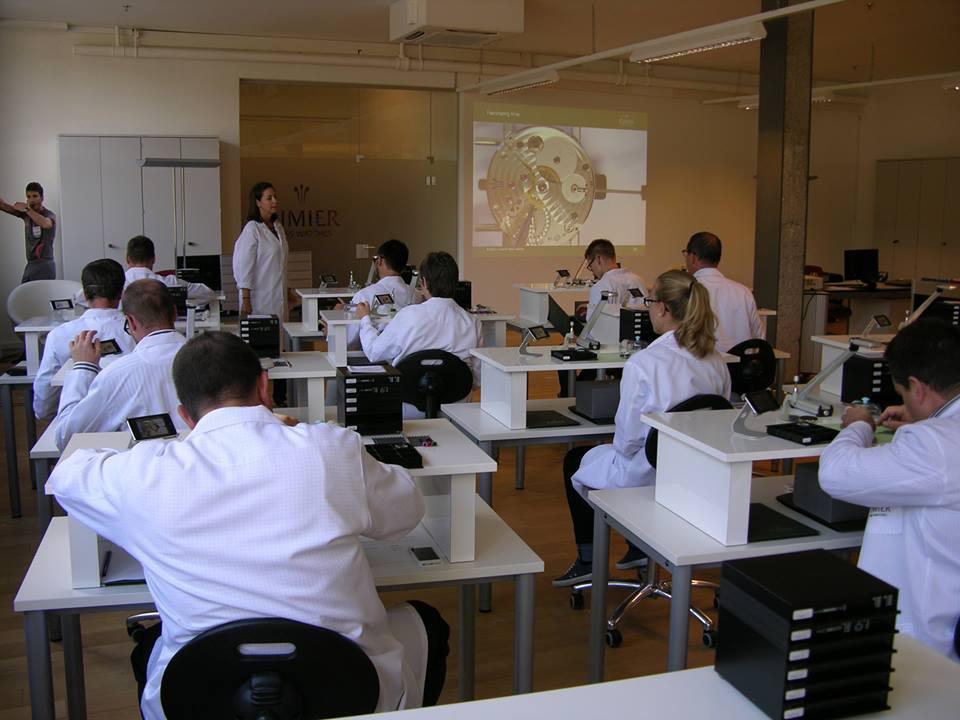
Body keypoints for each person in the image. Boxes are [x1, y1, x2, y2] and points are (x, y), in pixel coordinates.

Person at [47, 331, 450, 718]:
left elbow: (64, 475)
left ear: (185, 416)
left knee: (150, 648)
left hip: (204, 692)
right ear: (264, 386)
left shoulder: (144, 475)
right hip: (347, 686)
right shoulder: (330, 448)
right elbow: (406, 512)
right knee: (428, 621)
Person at [553, 270, 731, 586]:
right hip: (697, 475)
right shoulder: (716, 361)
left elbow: (627, 443)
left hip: (649, 473)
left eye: (649, 302)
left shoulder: (643, 364)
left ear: (662, 308)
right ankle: (637, 546)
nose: (647, 309)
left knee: (575, 461)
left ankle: (589, 560)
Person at [819, 320, 960, 661]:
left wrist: (859, 426)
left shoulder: (933, 445)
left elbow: (835, 473)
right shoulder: (940, 435)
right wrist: (924, 419)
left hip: (924, 645)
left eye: (904, 395)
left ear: (918, 387)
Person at [54, 280, 187, 450]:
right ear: (174, 313)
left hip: (141, 471)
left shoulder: (116, 375)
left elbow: (66, 437)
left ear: (130, 322)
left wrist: (83, 368)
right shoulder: (218, 359)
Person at [356, 251, 481, 413]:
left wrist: (365, 319)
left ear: (423, 282)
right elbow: (477, 380)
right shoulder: (472, 322)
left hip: (408, 409)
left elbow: (374, 352)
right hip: (456, 411)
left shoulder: (408, 315)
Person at [33, 259, 135, 420]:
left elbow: (44, 399)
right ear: (121, 292)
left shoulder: (59, 335)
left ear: (85, 295)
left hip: (77, 423)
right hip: (129, 418)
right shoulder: (135, 331)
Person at [682, 231, 763, 353]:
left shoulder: (687, 290)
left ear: (693, 257)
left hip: (704, 368)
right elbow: (759, 337)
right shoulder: (744, 292)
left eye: (685, 254)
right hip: (741, 369)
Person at [340, 239, 417, 349]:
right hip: (407, 356)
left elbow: (349, 340)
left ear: (379, 261)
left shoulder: (364, 296)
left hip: (372, 356)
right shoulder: (416, 295)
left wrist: (331, 331)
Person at [233, 182, 288, 318]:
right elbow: (244, 266)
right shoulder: (252, 229)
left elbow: (280, 264)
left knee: (280, 336)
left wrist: (288, 290)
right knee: (263, 336)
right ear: (258, 202)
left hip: (278, 296)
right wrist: (246, 299)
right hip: (259, 299)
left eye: (275, 197)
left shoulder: (278, 227)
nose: (274, 201)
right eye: (269, 198)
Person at [583, 238, 648, 335]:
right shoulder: (638, 280)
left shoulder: (600, 287)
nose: (592, 270)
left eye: (590, 265)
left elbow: (593, 330)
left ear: (598, 259)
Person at [123, 235, 215, 299]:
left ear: (127, 259)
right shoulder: (170, 282)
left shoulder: (117, 285)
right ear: (154, 259)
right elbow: (207, 292)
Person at [0, 181, 57, 282]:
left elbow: (46, 224)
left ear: (42, 198)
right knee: (26, 296)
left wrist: (27, 209)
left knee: (34, 296)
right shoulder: (26, 214)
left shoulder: (48, 214)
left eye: (35, 196)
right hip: (31, 264)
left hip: (44, 264)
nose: (31, 200)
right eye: (28, 196)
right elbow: (3, 206)